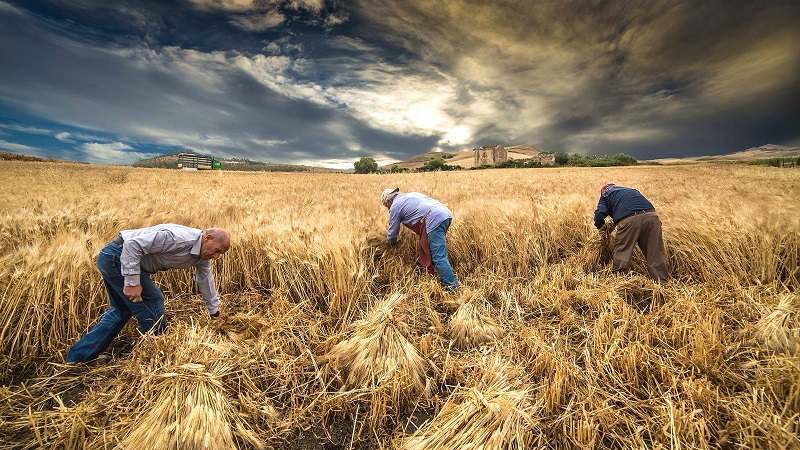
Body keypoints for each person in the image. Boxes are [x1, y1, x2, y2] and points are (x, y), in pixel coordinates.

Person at [66, 224, 230, 363]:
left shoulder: (203, 256)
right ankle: (156, 360)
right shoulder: (179, 238)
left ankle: (78, 358)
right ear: (207, 238)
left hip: (123, 260)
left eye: (220, 254)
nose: (215, 257)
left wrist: (214, 312)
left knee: (121, 311)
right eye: (216, 250)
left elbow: (206, 281)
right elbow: (132, 245)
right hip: (116, 256)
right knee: (152, 301)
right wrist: (132, 282)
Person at [382, 188, 459, 291]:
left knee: (438, 257)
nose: (388, 209)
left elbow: (392, 232)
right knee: (430, 248)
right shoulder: (411, 195)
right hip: (445, 214)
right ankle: (425, 271)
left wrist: (390, 244)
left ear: (389, 201)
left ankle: (451, 286)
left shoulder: (395, 206)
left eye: (386, 206)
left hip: (434, 218)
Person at [593, 183, 669, 283]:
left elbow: (599, 214)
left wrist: (601, 227)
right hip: (652, 217)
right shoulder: (631, 190)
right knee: (655, 252)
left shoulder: (606, 194)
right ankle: (661, 282)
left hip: (629, 220)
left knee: (623, 251)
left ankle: (620, 282)